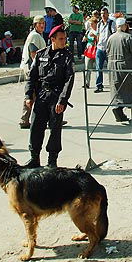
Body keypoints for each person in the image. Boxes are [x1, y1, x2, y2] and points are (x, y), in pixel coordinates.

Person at [22, 25, 75, 168]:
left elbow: (69, 80)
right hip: (41, 95)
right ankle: (34, 158)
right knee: (36, 127)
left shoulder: (67, 56)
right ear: (53, 39)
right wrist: (28, 96)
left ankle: (52, 160)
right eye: (61, 39)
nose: (64, 41)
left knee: (55, 130)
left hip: (56, 97)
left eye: (65, 38)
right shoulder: (41, 54)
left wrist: (62, 100)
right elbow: (32, 77)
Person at [106, 17, 132, 123]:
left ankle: (118, 107)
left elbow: (107, 51)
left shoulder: (111, 37)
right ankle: (119, 108)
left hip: (112, 66)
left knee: (116, 87)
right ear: (124, 25)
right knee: (129, 87)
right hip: (126, 65)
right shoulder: (128, 37)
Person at [19, 16, 47, 128]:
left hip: (34, 69)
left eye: (43, 23)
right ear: (35, 25)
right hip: (33, 69)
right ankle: (24, 119)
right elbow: (34, 54)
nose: (42, 25)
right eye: (40, 23)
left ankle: (26, 119)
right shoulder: (35, 36)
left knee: (37, 94)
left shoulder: (37, 35)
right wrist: (41, 68)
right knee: (32, 94)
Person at [94, 7, 115, 93]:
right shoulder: (99, 24)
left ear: (107, 14)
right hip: (100, 48)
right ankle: (99, 85)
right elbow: (98, 35)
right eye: (102, 13)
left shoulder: (111, 23)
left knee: (111, 67)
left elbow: (113, 35)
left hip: (108, 49)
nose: (103, 15)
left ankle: (114, 84)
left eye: (104, 13)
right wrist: (97, 45)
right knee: (98, 67)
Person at [83, 16, 99, 89]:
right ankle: (87, 83)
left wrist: (95, 36)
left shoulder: (98, 31)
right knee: (87, 67)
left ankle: (99, 84)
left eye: (92, 24)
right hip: (89, 50)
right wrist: (85, 38)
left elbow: (100, 40)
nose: (90, 25)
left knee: (98, 68)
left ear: (96, 23)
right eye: (90, 24)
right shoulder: (89, 30)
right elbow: (85, 39)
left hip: (96, 50)